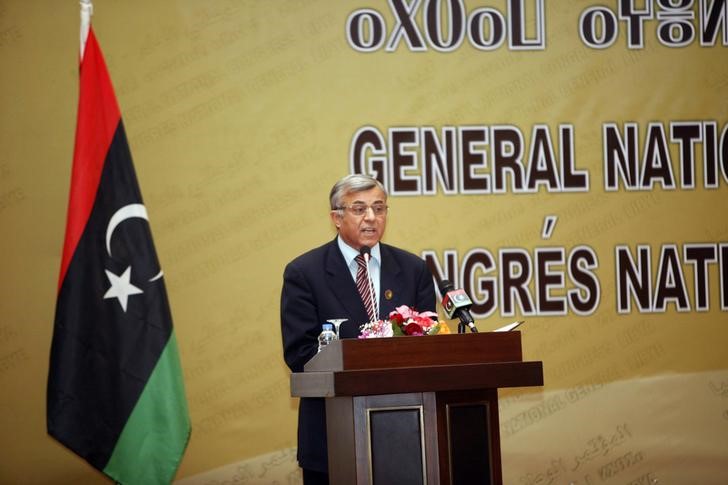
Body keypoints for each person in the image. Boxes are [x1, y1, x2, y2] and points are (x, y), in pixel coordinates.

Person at [280, 174, 436, 484]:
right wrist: (364, 357)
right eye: (359, 209)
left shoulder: (413, 269)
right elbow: (300, 354)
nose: (371, 218)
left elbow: (426, 346)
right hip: (332, 434)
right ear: (336, 218)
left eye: (379, 208)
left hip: (406, 432)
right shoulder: (304, 273)